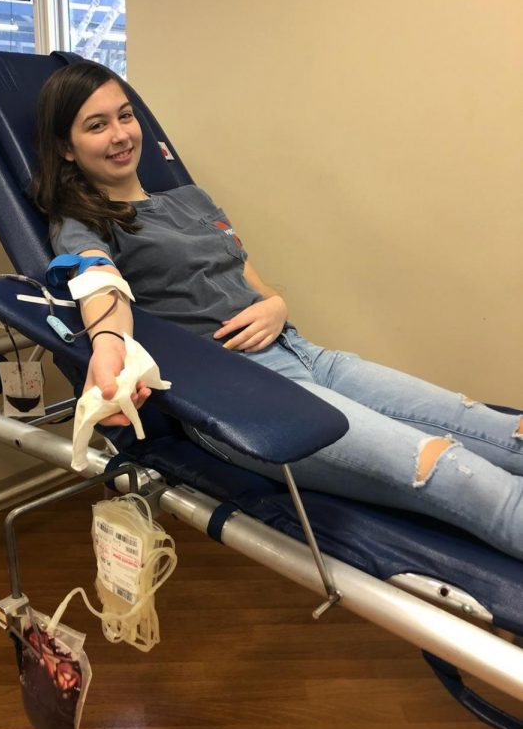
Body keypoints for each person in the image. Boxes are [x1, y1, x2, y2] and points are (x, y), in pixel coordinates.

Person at [32, 61, 523, 561]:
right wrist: (108, 346)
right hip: (243, 396)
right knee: (454, 473)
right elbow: (100, 284)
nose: (120, 135)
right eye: (97, 125)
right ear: (66, 148)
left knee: (502, 430)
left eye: (125, 116)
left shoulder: (189, 198)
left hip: (308, 355)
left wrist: (276, 304)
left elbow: (249, 278)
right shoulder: (80, 221)